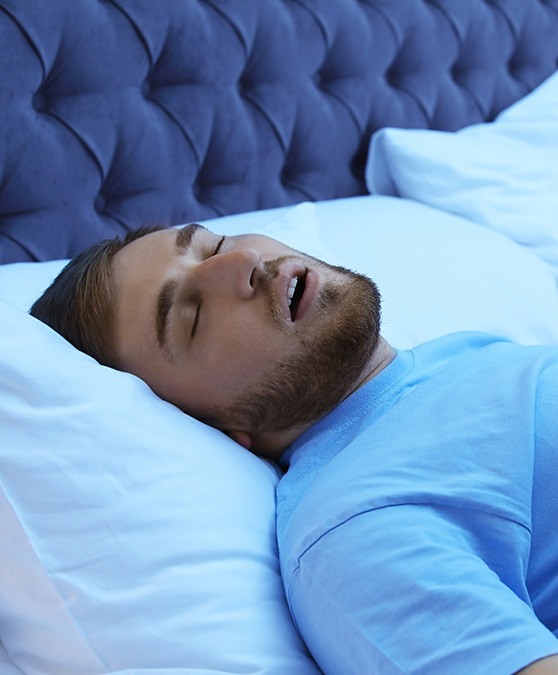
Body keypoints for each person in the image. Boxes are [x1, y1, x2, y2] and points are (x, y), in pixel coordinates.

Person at [31, 223, 558, 675]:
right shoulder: (355, 534)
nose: (245, 263)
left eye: (213, 245)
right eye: (191, 315)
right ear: (205, 424)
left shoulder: (454, 358)